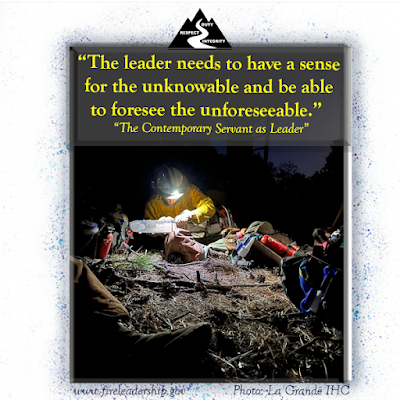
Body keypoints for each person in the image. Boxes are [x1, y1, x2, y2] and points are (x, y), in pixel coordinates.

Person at [144, 166, 216, 227]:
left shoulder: (190, 191)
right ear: (160, 192)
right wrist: (161, 225)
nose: (172, 201)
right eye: (168, 198)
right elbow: (146, 228)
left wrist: (190, 215)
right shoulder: (152, 204)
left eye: (176, 197)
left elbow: (209, 206)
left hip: (193, 233)